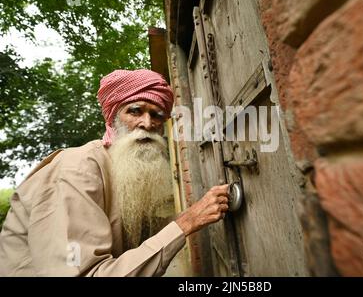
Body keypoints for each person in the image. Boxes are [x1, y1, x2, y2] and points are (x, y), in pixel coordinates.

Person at [0, 69, 229, 276]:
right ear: (113, 118)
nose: (147, 123)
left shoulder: (130, 171)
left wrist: (194, 215)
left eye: (157, 115)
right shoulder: (78, 169)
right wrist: (186, 223)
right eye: (135, 111)